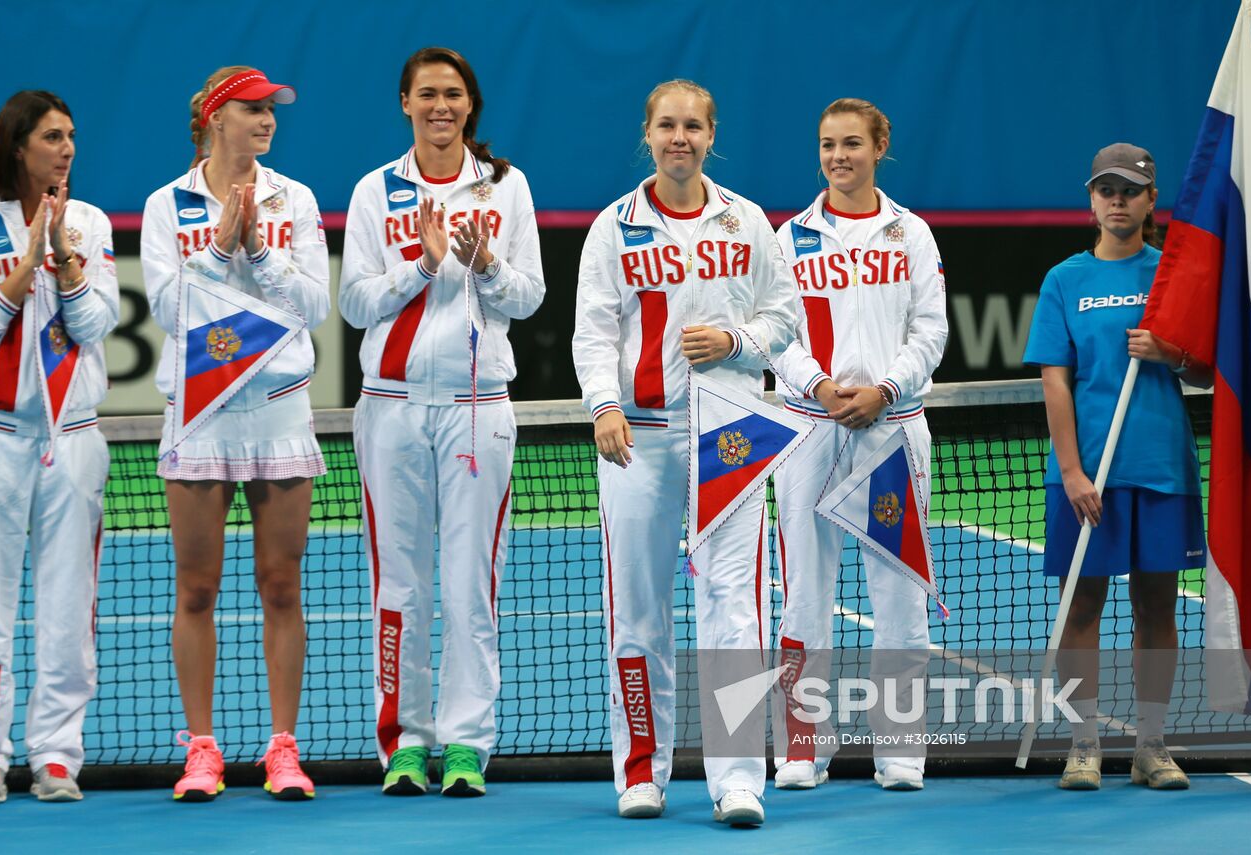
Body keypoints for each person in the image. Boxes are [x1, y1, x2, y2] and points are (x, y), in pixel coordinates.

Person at [573, 79, 796, 826]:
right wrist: (602, 405)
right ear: (647, 132)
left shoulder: (747, 220)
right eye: (667, 125)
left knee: (734, 607)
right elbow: (593, 330)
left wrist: (738, 341)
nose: (680, 137)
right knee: (638, 609)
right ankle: (642, 772)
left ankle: (739, 780)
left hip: (732, 431)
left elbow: (784, 318)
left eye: (693, 125)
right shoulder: (614, 226)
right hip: (638, 435)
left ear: (711, 134)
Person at [340, 46, 545, 798]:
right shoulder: (375, 190)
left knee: (469, 585)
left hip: (477, 410)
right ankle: (404, 743)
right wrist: (423, 268)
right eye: (427, 94)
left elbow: (528, 298)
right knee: (400, 584)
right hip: (389, 408)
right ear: (404, 102)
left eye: (453, 94)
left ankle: (465, 745)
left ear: (470, 105)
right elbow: (355, 305)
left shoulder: (506, 185)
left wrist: (485, 264)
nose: (440, 106)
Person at [140, 66, 330, 801]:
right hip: (200, 408)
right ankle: (202, 750)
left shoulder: (297, 199)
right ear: (216, 118)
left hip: (279, 405)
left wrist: (258, 253)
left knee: (282, 584)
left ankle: (283, 748)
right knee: (198, 587)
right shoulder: (168, 204)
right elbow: (165, 306)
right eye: (252, 109)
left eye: (271, 110)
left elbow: (315, 304)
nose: (267, 120)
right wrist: (219, 248)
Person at [0, 90, 119, 803]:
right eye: (52, 136)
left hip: (73, 439)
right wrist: (28, 259)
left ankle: (55, 755)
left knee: (69, 603)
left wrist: (65, 259)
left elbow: (98, 322)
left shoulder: (92, 223)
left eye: (72, 135)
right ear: (19, 146)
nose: (67, 148)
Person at [771, 98, 948, 792]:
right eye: (827, 144)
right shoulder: (788, 238)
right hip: (806, 432)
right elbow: (772, 335)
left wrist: (886, 390)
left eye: (851, 143)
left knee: (899, 594)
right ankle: (802, 748)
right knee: (803, 596)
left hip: (889, 432)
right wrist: (817, 386)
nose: (838, 156)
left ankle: (901, 749)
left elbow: (930, 331)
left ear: (880, 146)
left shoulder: (912, 234)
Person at [1023, 143, 1210, 791]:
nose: (1118, 200)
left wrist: (1169, 352)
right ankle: (1084, 744)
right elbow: (1055, 381)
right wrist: (1072, 472)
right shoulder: (1064, 280)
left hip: (1160, 468)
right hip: (1086, 478)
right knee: (1082, 606)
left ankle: (1152, 745)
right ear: (1092, 198)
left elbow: (1210, 372)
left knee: (1158, 607)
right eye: (1107, 189)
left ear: (1151, 200)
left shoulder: (1173, 276)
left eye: (1130, 190)